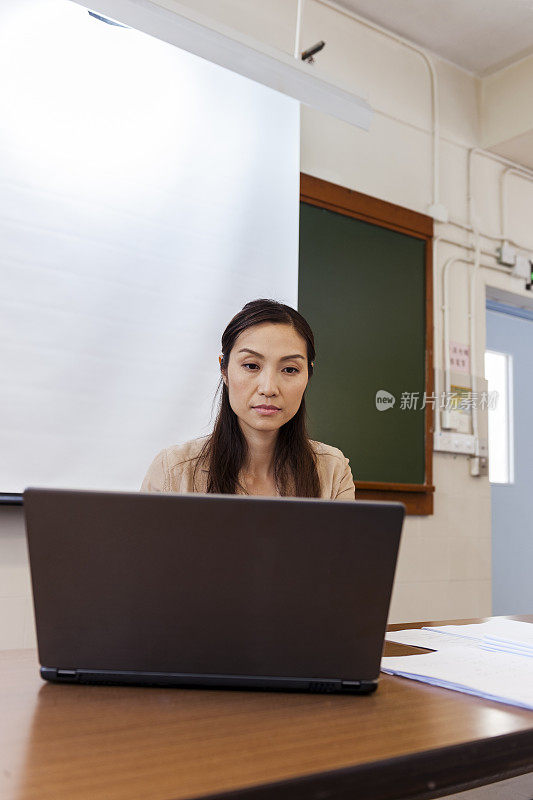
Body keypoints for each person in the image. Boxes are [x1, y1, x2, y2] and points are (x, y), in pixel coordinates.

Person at [141, 299, 355, 499]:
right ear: (224, 369)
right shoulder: (173, 471)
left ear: (308, 375)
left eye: (290, 369)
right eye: (251, 366)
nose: (269, 388)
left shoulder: (332, 471)